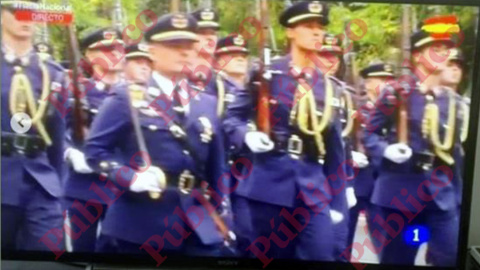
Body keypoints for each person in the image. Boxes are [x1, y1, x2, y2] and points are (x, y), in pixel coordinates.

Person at [85, 13, 231, 256]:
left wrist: (223, 214)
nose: (185, 53)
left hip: (197, 222)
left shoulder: (207, 102)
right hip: (141, 223)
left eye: (190, 46)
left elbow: (218, 167)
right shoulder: (127, 98)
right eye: (174, 46)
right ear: (152, 52)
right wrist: (129, 177)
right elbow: (95, 151)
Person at [224, 1, 347, 261]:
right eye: (308, 26)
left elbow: (336, 150)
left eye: (320, 28)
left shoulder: (329, 86)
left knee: (322, 255)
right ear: (290, 32)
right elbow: (231, 118)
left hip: (313, 190)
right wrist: (247, 135)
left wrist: (338, 201)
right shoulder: (267, 74)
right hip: (269, 185)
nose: (317, 33)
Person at [362, 27, 462, 266]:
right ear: (418, 56)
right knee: (401, 257)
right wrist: (386, 150)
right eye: (435, 49)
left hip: (442, 194)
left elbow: (455, 151)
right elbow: (369, 134)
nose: (443, 54)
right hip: (404, 195)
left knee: (449, 255)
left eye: (446, 49)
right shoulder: (396, 93)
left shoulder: (451, 100)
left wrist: (459, 195)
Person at [1, 0, 68, 252]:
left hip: (40, 182)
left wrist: (56, 185)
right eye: (16, 11)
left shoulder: (52, 72)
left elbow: (57, 138)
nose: (25, 17)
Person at [62, 28, 125, 252]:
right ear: (89, 55)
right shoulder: (76, 92)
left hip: (123, 187)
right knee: (83, 253)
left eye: (118, 49)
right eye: (106, 50)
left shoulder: (135, 93)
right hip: (84, 187)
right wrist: (70, 152)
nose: (115, 54)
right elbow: (55, 130)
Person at [316, 32, 369, 261]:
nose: (330, 61)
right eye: (324, 55)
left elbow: (344, 139)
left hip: (336, 175)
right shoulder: (298, 88)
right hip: (307, 171)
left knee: (339, 244)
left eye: (334, 56)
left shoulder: (342, 92)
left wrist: (347, 181)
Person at [346, 61, 395, 260]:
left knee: (384, 238)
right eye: (379, 80)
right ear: (367, 83)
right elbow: (342, 136)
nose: (385, 84)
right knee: (345, 236)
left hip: (381, 182)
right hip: (356, 178)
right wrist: (350, 155)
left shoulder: (397, 110)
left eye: (387, 80)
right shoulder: (355, 106)